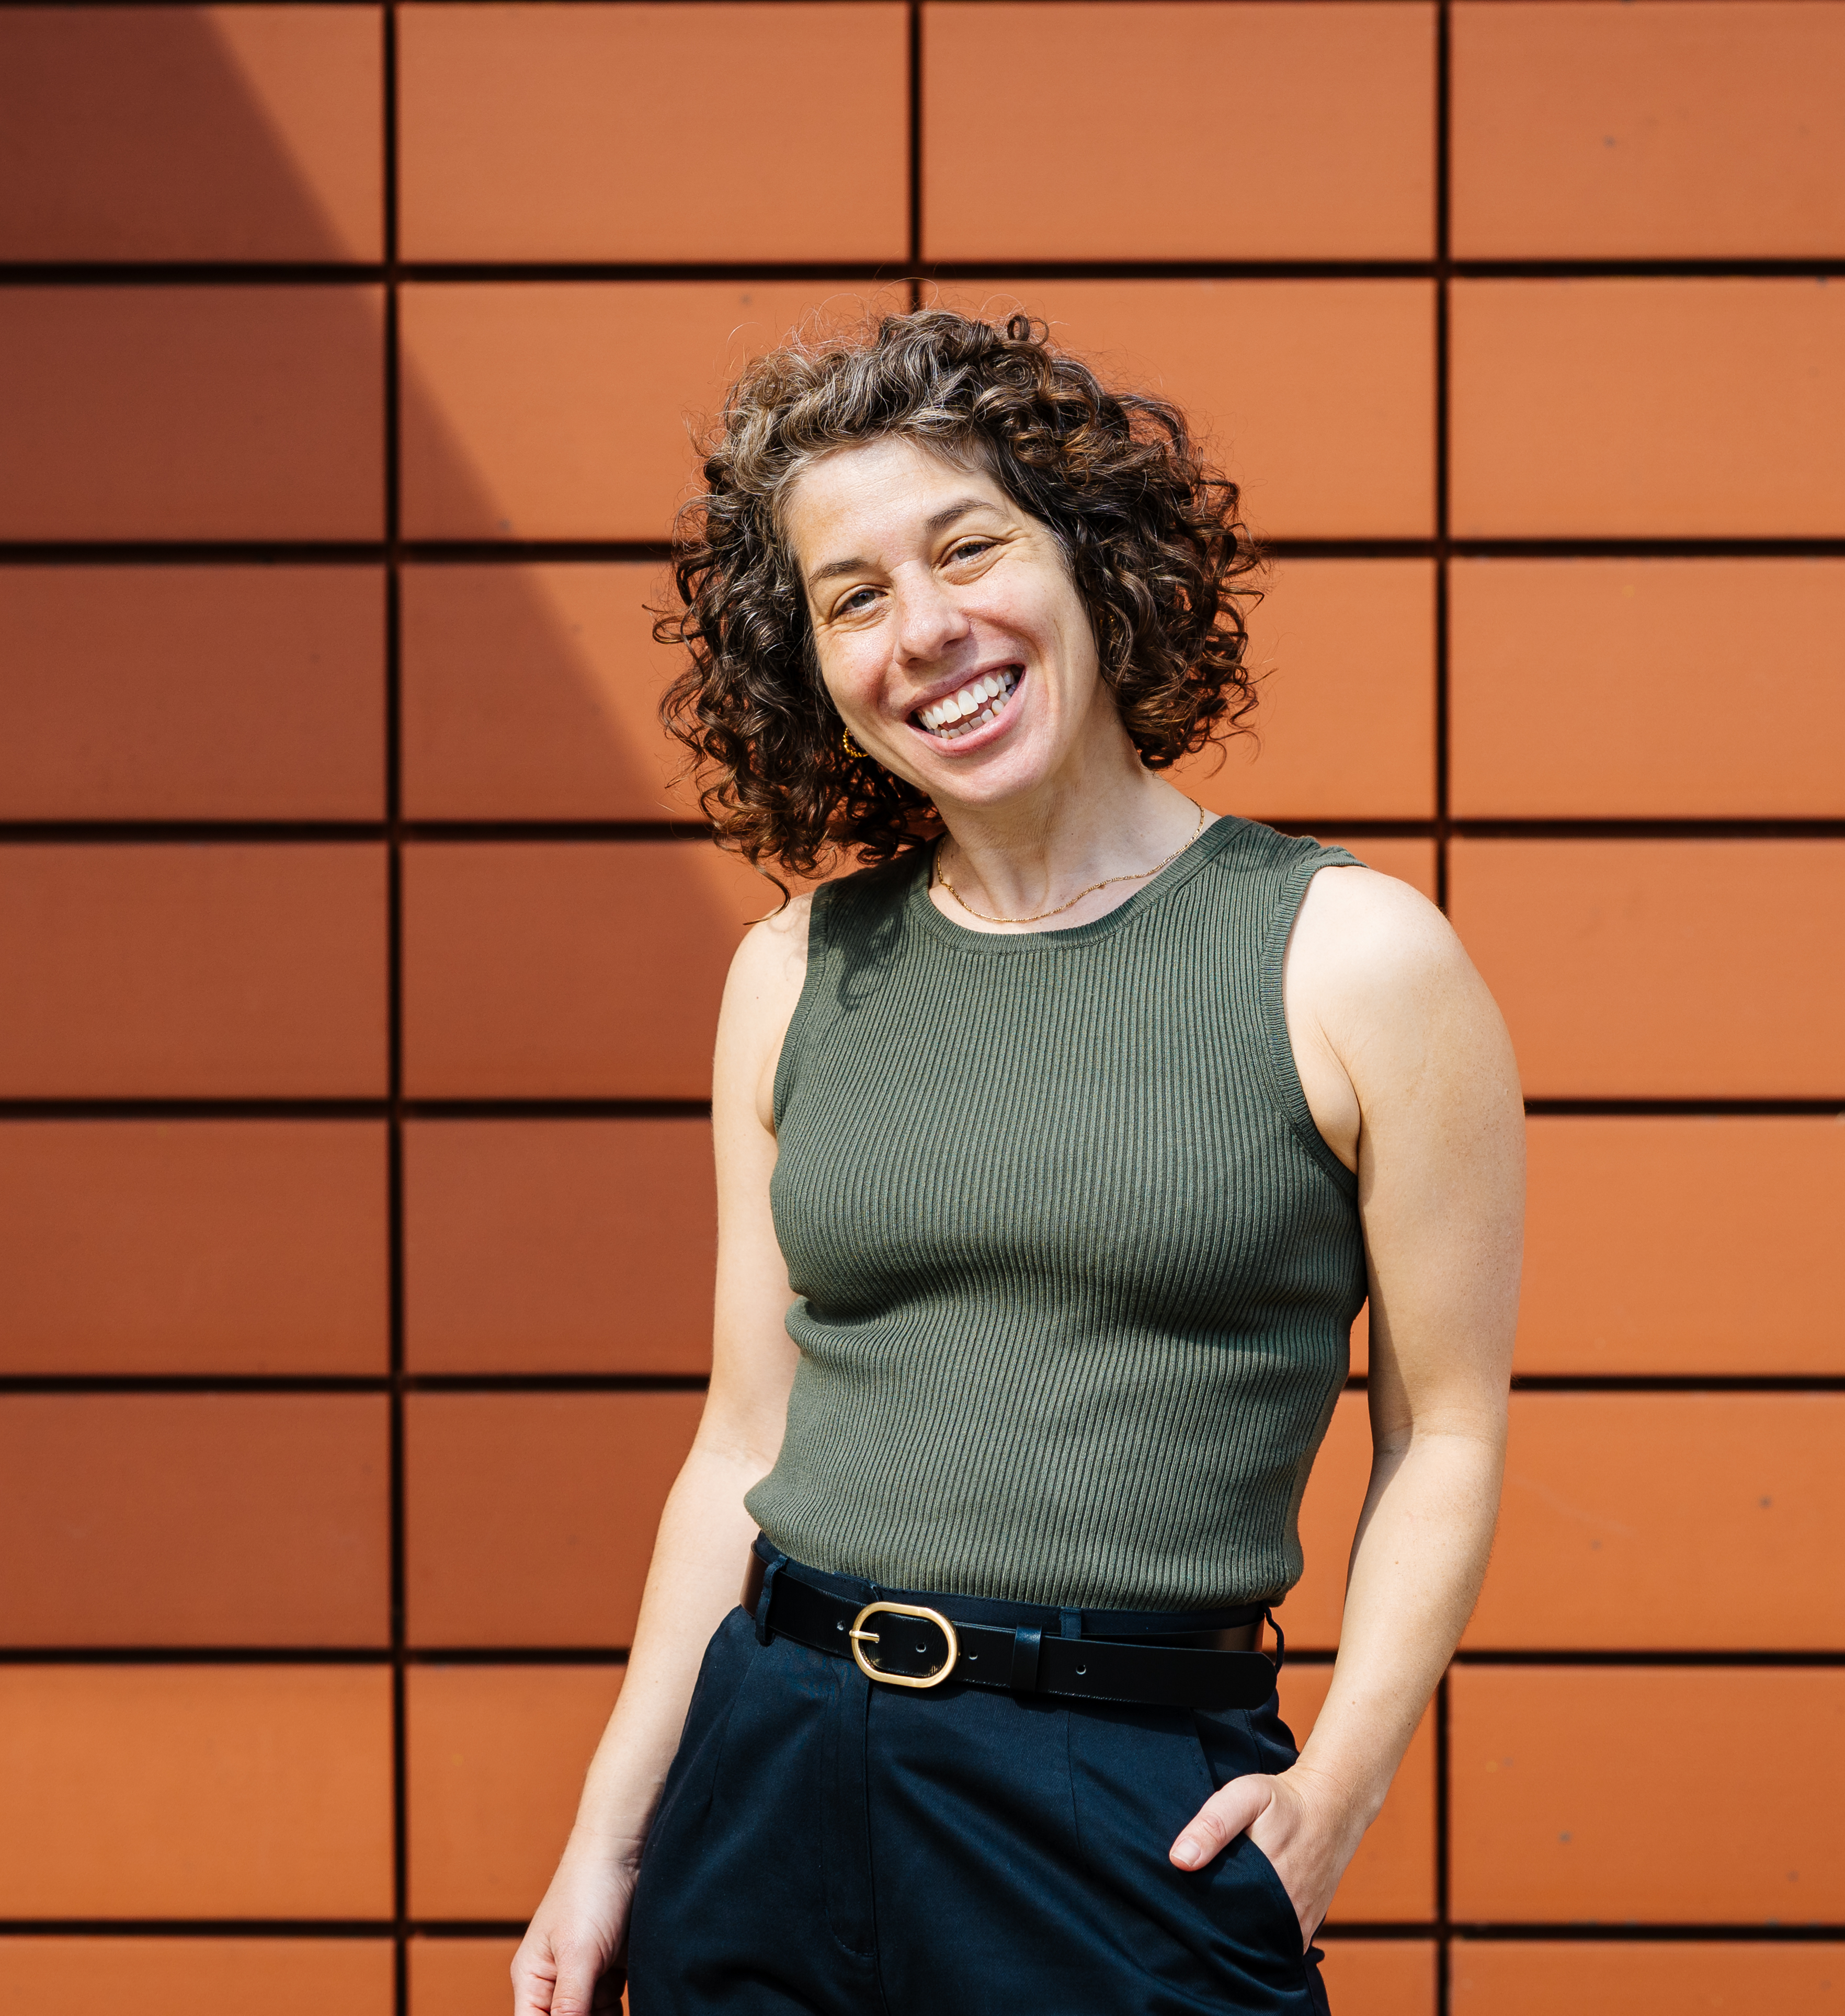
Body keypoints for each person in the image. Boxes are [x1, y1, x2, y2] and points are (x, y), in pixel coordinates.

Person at [512, 309, 1522, 2015]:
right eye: (853, 597)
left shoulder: (1353, 959)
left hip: (1116, 1796)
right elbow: (742, 1442)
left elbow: (1449, 1430)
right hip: (768, 1764)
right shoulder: (791, 975)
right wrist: (611, 1839)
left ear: (1092, 563)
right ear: (810, 670)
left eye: (969, 547)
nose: (928, 631)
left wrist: (1335, 1797)